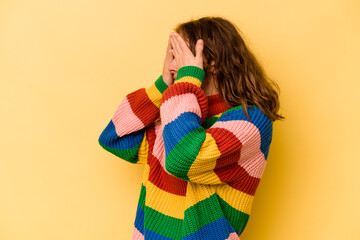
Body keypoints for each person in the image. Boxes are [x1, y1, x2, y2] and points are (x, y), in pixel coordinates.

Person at [98, 16, 284, 240]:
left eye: (182, 55)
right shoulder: (178, 113)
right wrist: (162, 85)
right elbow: (114, 138)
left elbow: (182, 159)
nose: (174, 65)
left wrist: (186, 82)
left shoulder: (251, 121)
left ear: (212, 61)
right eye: (172, 56)